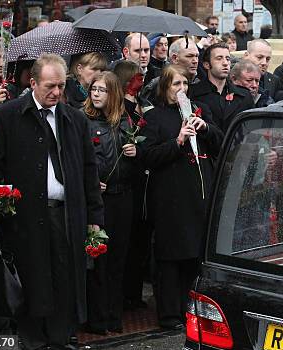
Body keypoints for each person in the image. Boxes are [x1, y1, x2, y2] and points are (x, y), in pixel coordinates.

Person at [0, 53, 103, 350]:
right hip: (25, 215)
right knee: (33, 276)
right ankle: (33, 341)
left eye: (62, 86)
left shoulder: (74, 118)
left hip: (66, 212)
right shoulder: (9, 115)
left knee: (66, 277)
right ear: (33, 82)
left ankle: (60, 339)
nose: (57, 93)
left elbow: (89, 170)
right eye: (50, 86)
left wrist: (94, 216)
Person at [140, 65, 223, 330]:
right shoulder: (156, 118)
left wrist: (206, 128)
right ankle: (169, 314)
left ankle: (193, 311)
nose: (182, 89)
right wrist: (176, 142)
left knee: (194, 256)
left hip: (200, 193)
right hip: (171, 197)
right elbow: (148, 156)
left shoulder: (201, 111)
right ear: (165, 88)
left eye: (185, 84)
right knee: (171, 258)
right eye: (176, 84)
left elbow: (220, 142)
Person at [83, 71, 136, 335]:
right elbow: (80, 161)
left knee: (118, 260)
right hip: (99, 200)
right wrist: (92, 184)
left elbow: (136, 168)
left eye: (102, 90)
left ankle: (114, 316)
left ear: (113, 93)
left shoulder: (125, 123)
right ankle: (98, 317)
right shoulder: (84, 121)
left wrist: (135, 154)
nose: (96, 94)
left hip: (121, 198)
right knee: (98, 260)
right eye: (94, 89)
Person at [114, 60, 154, 312]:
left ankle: (134, 292)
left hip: (143, 181)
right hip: (127, 182)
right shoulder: (121, 109)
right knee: (127, 243)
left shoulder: (142, 105)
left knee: (140, 242)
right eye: (136, 79)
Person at [189, 43, 254, 133]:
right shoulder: (193, 93)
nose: (225, 63)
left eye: (227, 59)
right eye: (219, 58)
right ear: (207, 65)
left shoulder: (244, 95)